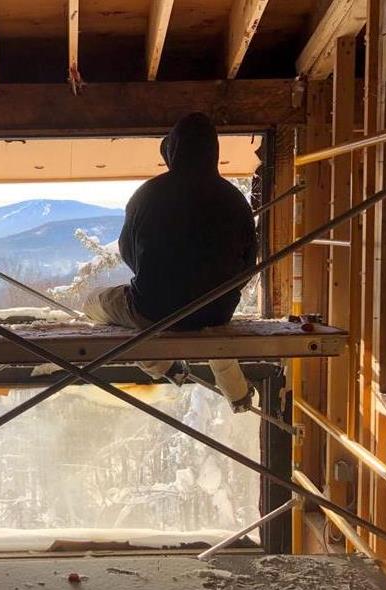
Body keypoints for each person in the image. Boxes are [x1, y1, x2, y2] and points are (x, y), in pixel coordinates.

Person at [83, 113, 257, 399]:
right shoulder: (233, 198)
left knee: (94, 303)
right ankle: (236, 391)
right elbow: (249, 263)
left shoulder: (149, 193)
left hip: (154, 310)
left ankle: (163, 365)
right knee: (212, 331)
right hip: (217, 311)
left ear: (172, 150)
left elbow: (129, 252)